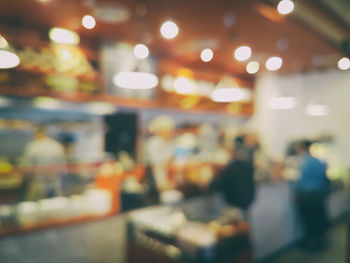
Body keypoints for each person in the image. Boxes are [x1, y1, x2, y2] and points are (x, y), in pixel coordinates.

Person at [294, 139, 330, 250]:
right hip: (318, 193)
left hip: (306, 195)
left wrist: (296, 193)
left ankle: (312, 243)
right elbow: (325, 178)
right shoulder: (318, 161)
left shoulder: (302, 162)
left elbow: (299, 180)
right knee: (318, 216)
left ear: (302, 148)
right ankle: (320, 241)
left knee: (308, 219)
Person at [209, 135, 256, 215]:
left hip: (234, 208)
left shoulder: (231, 169)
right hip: (248, 206)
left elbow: (213, 187)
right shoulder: (247, 167)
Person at [21, 126, 65, 200]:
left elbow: (27, 168)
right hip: (54, 184)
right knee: (54, 207)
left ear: (38, 134)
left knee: (35, 208)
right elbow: (62, 166)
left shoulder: (33, 146)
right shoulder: (57, 146)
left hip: (37, 184)